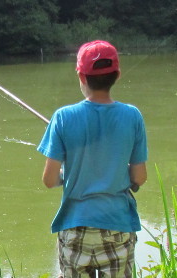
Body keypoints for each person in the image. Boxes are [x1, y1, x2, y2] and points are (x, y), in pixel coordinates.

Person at [37, 40, 148, 278]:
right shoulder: (132, 116)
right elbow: (140, 176)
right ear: (117, 75)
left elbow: (49, 180)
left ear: (81, 75)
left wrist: (69, 173)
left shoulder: (63, 117)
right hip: (117, 227)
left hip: (75, 229)